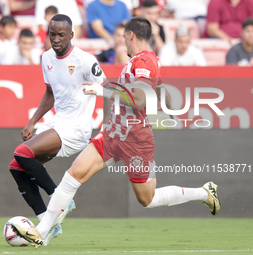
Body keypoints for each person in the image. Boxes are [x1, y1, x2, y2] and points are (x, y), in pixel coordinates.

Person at [11, 17, 221, 248]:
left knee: (147, 199)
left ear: (131, 36)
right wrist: (171, 109)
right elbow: (159, 89)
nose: (123, 43)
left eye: (123, 38)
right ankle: (41, 231)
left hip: (136, 140)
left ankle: (204, 193)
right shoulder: (146, 61)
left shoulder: (144, 62)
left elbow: (140, 100)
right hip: (114, 133)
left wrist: (103, 92)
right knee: (74, 174)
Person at [8, 14, 106, 244]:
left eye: (61, 35)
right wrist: (32, 122)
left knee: (22, 152)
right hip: (58, 122)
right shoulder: (46, 58)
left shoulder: (85, 60)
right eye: (52, 34)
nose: (56, 39)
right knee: (16, 166)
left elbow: (108, 89)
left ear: (71, 35)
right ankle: (48, 224)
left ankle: (60, 200)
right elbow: (50, 94)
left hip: (77, 128)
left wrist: (107, 125)